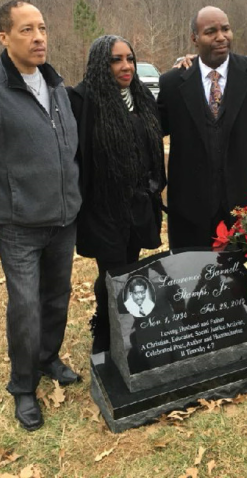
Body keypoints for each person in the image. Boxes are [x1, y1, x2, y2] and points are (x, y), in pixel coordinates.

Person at [0, 0, 82, 431]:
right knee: (25, 307)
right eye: (27, 30)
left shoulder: (55, 84)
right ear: (3, 37)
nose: (39, 38)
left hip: (62, 219)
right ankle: (24, 386)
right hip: (17, 226)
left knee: (57, 297)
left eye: (43, 28)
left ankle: (49, 357)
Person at [67, 35, 165, 354]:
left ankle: (127, 325)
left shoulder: (142, 98)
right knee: (110, 274)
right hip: (103, 208)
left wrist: (153, 184)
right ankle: (104, 329)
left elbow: (152, 148)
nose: (126, 66)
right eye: (116, 60)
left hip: (138, 203)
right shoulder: (82, 101)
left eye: (130, 59)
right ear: (100, 64)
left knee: (130, 268)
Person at [157, 6, 247, 249]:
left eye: (225, 29)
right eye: (210, 32)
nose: (221, 37)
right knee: (190, 280)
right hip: (188, 207)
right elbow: (153, 132)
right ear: (194, 39)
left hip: (239, 203)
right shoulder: (172, 83)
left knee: (237, 282)